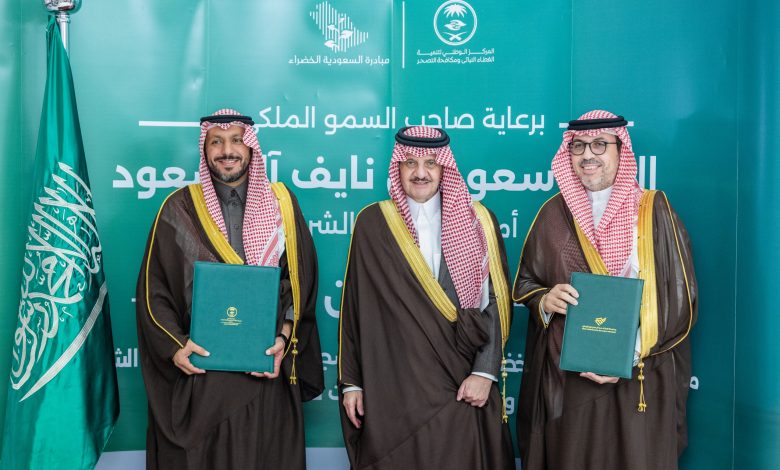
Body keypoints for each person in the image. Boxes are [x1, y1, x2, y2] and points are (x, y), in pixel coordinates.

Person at [136, 108, 323, 469]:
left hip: (266, 371)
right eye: (216, 142)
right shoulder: (178, 208)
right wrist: (176, 347)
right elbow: (153, 292)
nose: (227, 151)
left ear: (251, 147)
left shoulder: (282, 205)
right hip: (202, 378)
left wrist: (283, 340)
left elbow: (300, 282)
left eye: (237, 140)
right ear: (204, 149)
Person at [513, 110, 697, 469]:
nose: (588, 155)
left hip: (638, 372)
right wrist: (545, 300)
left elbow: (680, 297)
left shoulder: (653, 209)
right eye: (578, 146)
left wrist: (628, 355)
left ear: (620, 150)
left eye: (600, 144)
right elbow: (526, 283)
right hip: (570, 379)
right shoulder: (553, 213)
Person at [338, 126, 515, 469]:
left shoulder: (479, 220)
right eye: (410, 163)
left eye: (431, 163)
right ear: (398, 167)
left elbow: (496, 303)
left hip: (460, 381)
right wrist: (352, 382)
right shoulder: (372, 222)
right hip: (393, 383)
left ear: (444, 167)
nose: (420, 173)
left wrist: (484, 373)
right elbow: (354, 308)